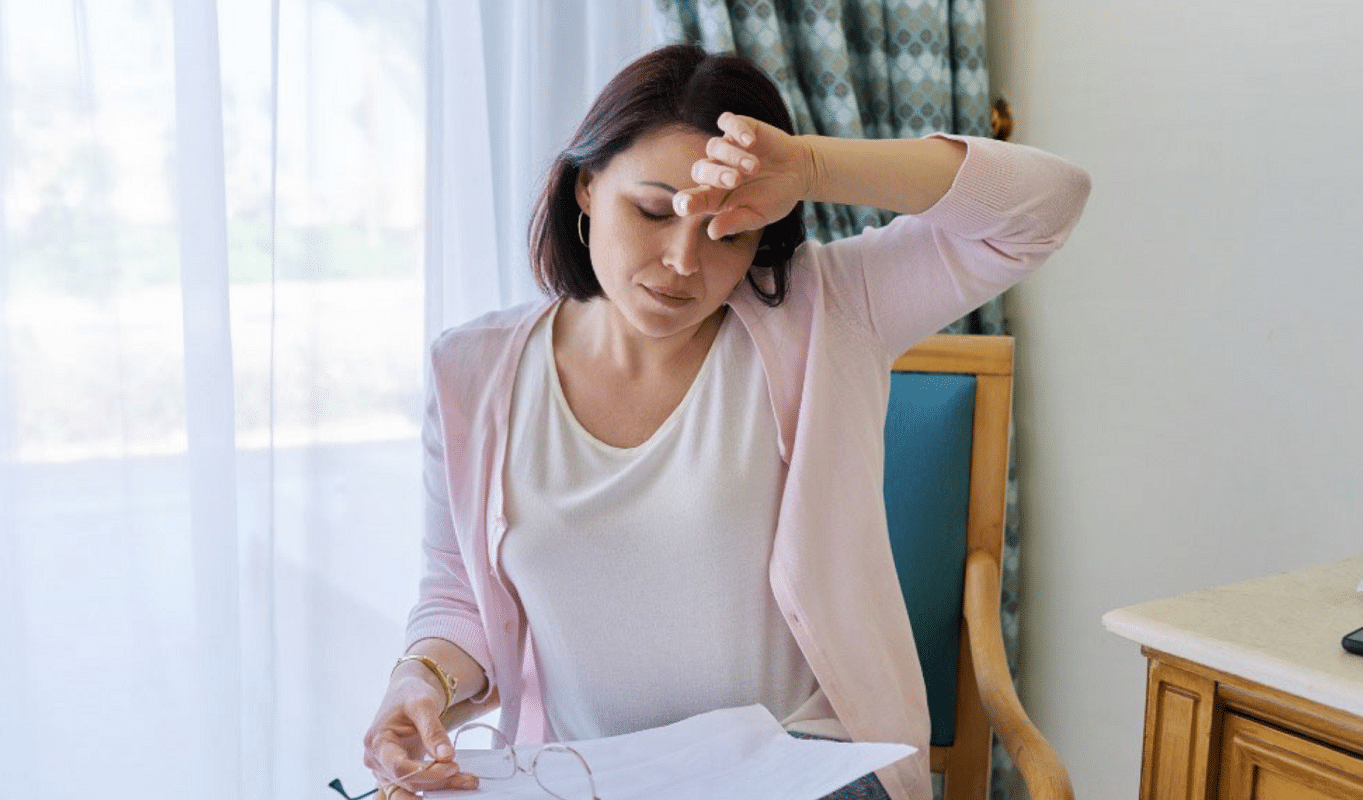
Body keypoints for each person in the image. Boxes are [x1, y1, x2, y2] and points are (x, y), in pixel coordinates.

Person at [362, 43, 1090, 800]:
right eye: (652, 212)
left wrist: (810, 166)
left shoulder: (830, 312)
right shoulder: (471, 372)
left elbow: (1046, 205)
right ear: (586, 186)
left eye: (727, 233)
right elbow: (457, 594)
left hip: (809, 768)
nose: (683, 260)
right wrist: (419, 679)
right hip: (581, 776)